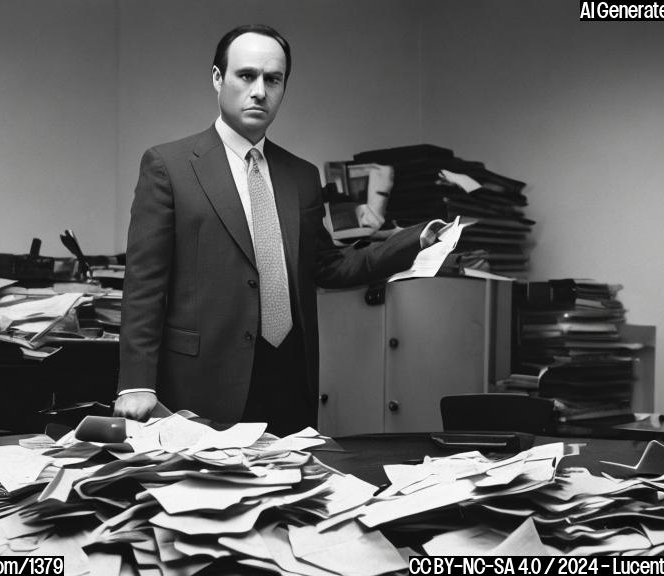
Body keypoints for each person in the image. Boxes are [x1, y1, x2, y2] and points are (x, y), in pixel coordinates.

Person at [114, 24, 445, 435]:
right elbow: (144, 281)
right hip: (203, 378)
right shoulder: (169, 166)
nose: (259, 91)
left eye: (273, 79)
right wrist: (135, 382)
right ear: (218, 79)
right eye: (246, 75)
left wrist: (414, 241)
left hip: (290, 374)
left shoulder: (301, 176)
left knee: (289, 494)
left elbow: (326, 265)